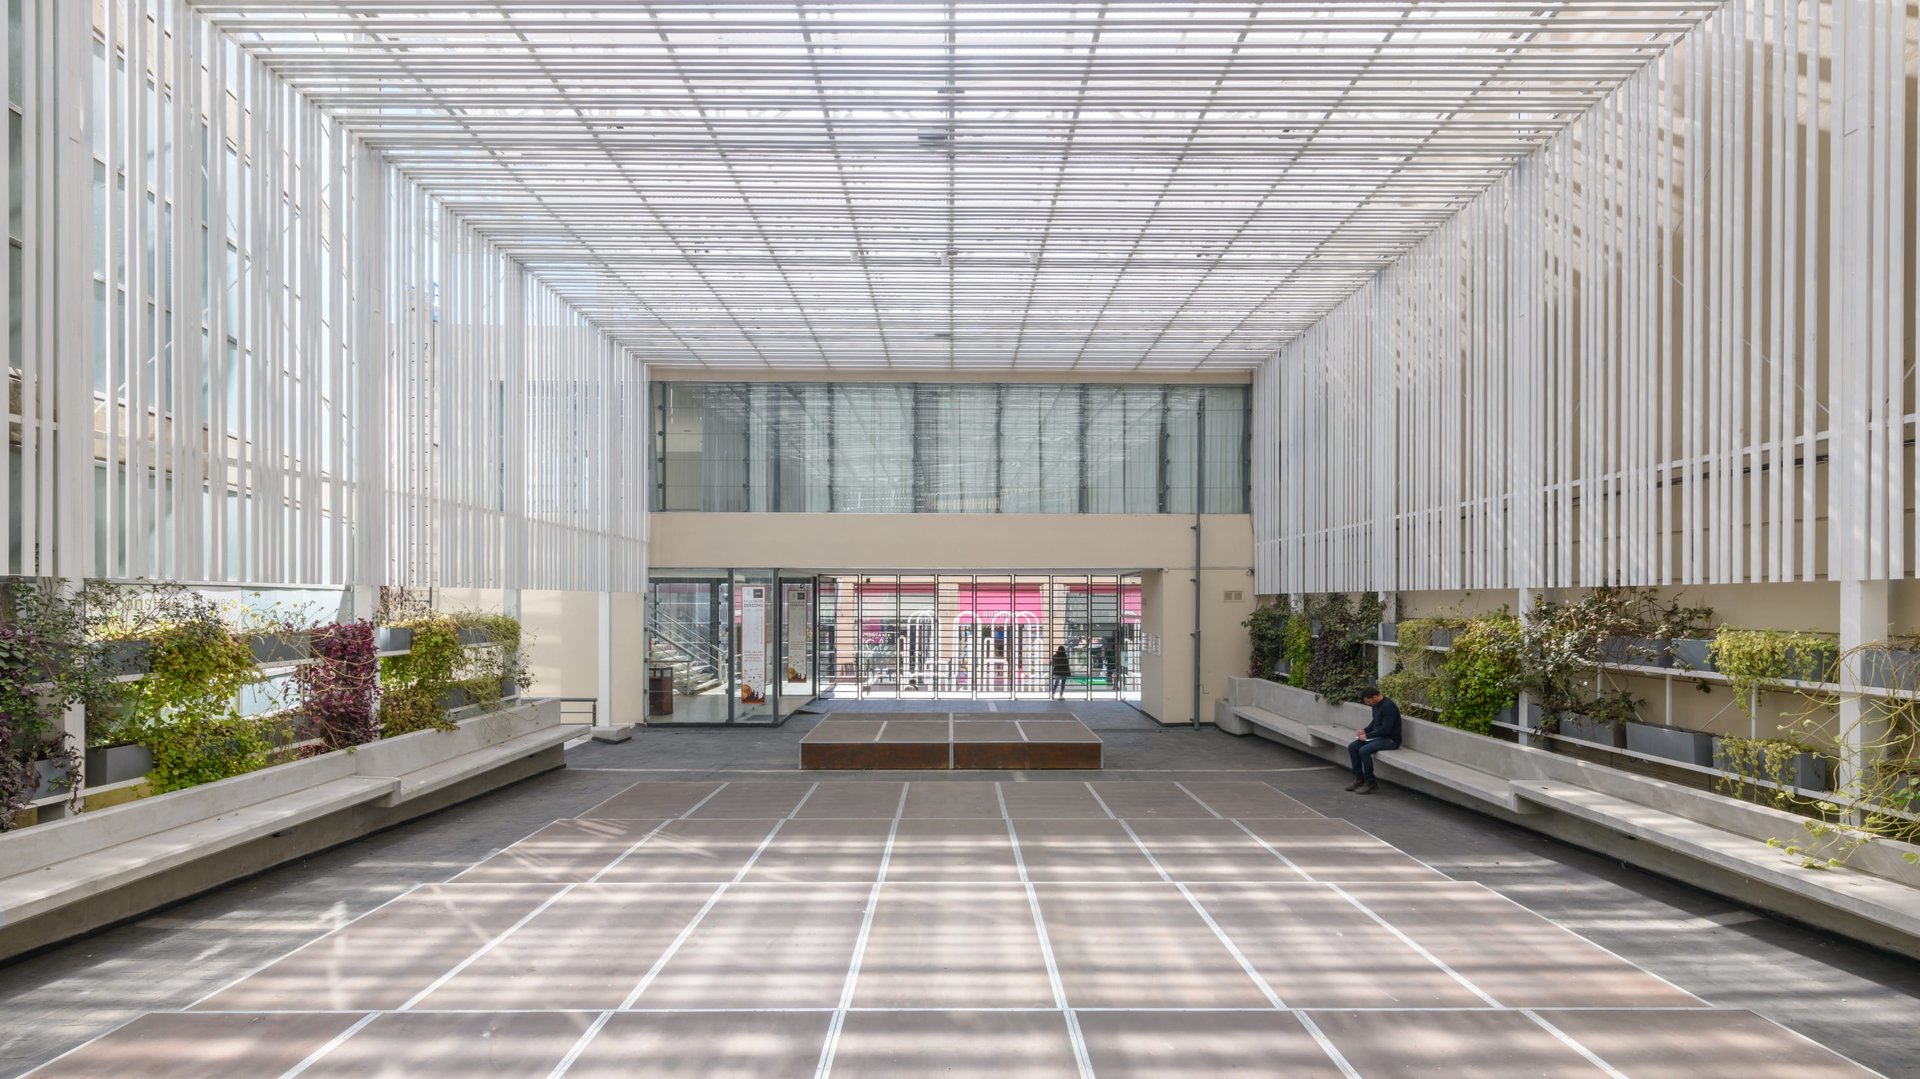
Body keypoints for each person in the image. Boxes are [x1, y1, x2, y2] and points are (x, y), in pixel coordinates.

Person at [1347, 686, 1401, 794]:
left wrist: (1368, 736)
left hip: (1390, 740)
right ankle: (1359, 778)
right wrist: (1364, 731)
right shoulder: (1375, 705)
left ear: (1375, 697)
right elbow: (1375, 722)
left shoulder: (1388, 707)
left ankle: (1370, 781)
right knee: (1352, 747)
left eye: (1368, 701)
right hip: (1378, 737)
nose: (1368, 704)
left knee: (1364, 751)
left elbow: (1386, 730)